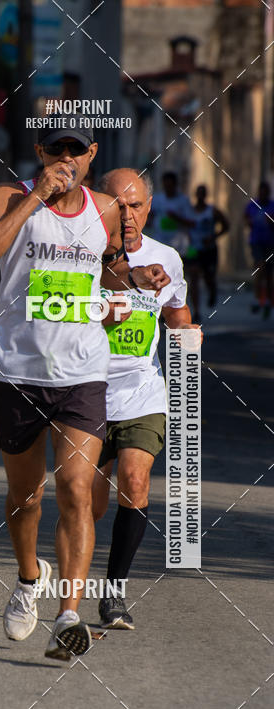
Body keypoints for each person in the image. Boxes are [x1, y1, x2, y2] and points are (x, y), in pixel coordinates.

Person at [0, 124, 170, 659]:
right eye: (55, 149)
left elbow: (107, 272)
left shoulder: (105, 210)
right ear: (39, 152)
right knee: (26, 498)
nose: (65, 158)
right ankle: (30, 578)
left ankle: (67, 616)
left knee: (78, 489)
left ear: (91, 156)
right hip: (17, 372)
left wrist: (137, 279)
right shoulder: (10, 197)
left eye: (75, 150)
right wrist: (37, 193)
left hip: (82, 374)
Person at [92, 168, 201, 629]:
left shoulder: (167, 259)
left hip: (142, 394)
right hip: (86, 395)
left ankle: (113, 594)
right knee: (86, 504)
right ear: (101, 204)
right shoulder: (82, 254)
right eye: (119, 204)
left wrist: (188, 338)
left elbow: (177, 315)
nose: (128, 214)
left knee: (135, 482)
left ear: (150, 208)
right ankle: (56, 585)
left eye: (136, 205)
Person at [186, 185, 229, 321]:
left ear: (205, 195)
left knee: (208, 277)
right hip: (194, 249)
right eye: (198, 193)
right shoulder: (190, 211)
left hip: (209, 249)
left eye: (202, 194)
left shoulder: (212, 211)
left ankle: (212, 289)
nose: (200, 196)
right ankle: (197, 311)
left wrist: (214, 236)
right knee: (194, 277)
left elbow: (226, 225)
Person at [244, 181, 274, 318]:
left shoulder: (272, 205)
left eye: (265, 192)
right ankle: (258, 299)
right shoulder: (252, 205)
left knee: (268, 273)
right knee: (260, 268)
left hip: (270, 242)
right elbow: (246, 218)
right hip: (256, 242)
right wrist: (249, 222)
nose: (263, 194)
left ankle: (267, 300)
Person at [148, 171, 195, 257]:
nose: (168, 188)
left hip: (177, 245)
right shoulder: (157, 199)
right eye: (166, 186)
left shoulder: (183, 201)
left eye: (170, 186)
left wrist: (176, 218)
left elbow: (191, 223)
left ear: (175, 185)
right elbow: (149, 217)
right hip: (159, 242)